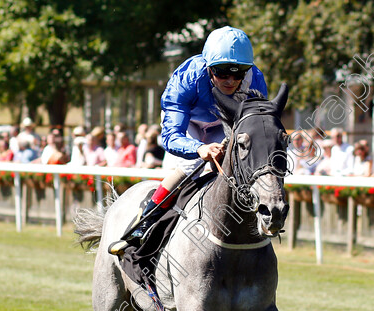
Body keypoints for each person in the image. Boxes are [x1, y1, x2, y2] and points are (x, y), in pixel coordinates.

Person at [109, 26, 268, 254]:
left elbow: (256, 127)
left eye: (238, 73)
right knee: (191, 164)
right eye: (222, 72)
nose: (231, 80)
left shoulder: (256, 82)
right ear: (209, 67)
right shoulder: (187, 78)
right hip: (188, 122)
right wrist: (199, 148)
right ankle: (144, 224)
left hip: (223, 121)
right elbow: (171, 136)